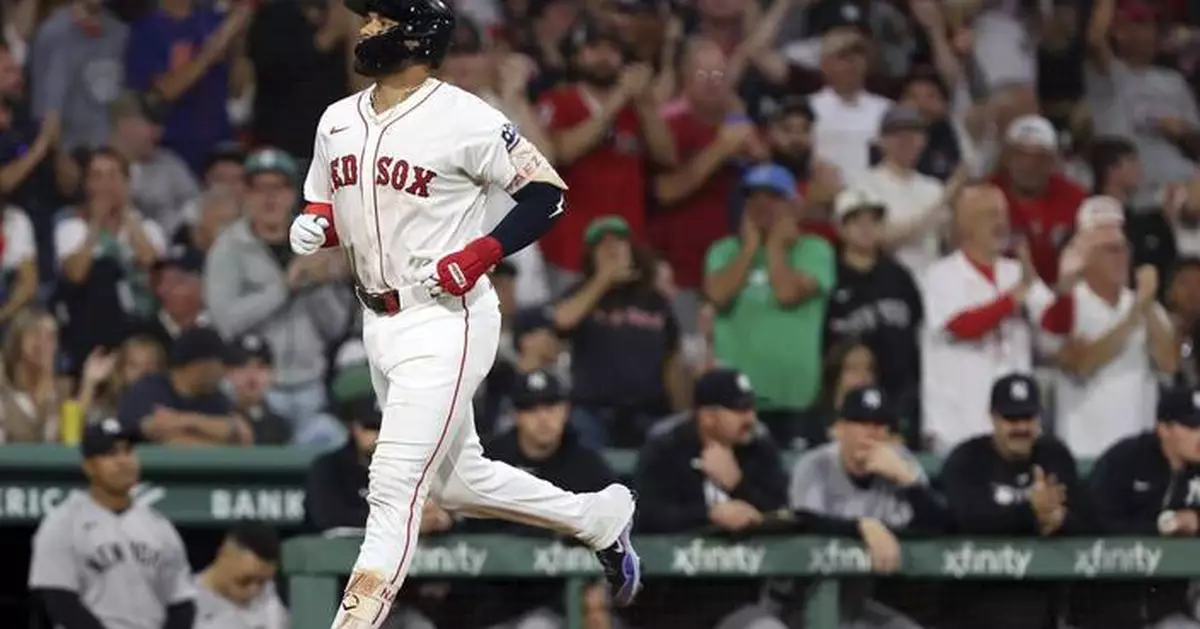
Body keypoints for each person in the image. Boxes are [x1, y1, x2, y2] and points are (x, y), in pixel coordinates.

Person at [287, 0, 642, 622]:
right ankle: (596, 519)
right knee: (457, 479)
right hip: (378, 318)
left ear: (417, 36)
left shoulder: (467, 117)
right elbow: (329, 199)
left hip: (447, 315)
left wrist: (482, 252)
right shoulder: (337, 119)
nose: (365, 27)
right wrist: (317, 224)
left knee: (395, 483)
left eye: (380, 18)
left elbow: (546, 195)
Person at [632, 367, 788, 629]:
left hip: (735, 603)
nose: (750, 417)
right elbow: (646, 517)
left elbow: (782, 514)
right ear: (707, 417)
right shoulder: (665, 450)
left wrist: (737, 484)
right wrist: (708, 514)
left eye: (751, 408)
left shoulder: (760, 450)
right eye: (739, 410)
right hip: (669, 606)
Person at [939, 374, 1091, 629]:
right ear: (993, 417)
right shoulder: (967, 459)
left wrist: (1059, 520)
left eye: (1028, 418)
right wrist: (1032, 512)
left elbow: (1087, 519)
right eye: (1011, 419)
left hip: (1042, 608)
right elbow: (966, 519)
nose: (1021, 428)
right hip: (974, 607)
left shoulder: (1055, 456)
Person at [787, 385, 945, 629]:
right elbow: (804, 520)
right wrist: (862, 527)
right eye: (860, 423)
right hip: (802, 598)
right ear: (839, 429)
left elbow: (940, 527)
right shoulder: (815, 465)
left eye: (880, 425)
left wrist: (910, 483)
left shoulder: (901, 464)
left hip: (867, 601)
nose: (871, 433)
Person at [704, 163, 835, 448]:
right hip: (734, 400)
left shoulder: (815, 250)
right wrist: (750, 249)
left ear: (793, 205)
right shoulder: (724, 250)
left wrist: (775, 247)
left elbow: (786, 293)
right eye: (753, 196)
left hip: (794, 400)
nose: (762, 204)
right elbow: (718, 295)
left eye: (773, 196)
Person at [28, 418, 196, 629]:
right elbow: (58, 599)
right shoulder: (63, 523)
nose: (123, 461)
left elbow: (180, 600)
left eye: (128, 451)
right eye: (110, 454)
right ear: (89, 467)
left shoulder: (159, 526)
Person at [1075, 385, 1200, 629]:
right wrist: (1158, 527)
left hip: (1167, 613)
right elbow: (1092, 519)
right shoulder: (1126, 459)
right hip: (1103, 612)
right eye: (1192, 427)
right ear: (1164, 429)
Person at [115, 326, 252, 446]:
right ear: (201, 367)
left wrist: (187, 420)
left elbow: (242, 435)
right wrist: (213, 435)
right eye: (220, 364)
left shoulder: (215, 396)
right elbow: (159, 433)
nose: (223, 371)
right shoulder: (149, 388)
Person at [193, 521, 289, 629]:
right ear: (224, 555)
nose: (254, 590)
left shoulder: (273, 600)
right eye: (245, 580)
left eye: (262, 582)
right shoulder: (187, 602)